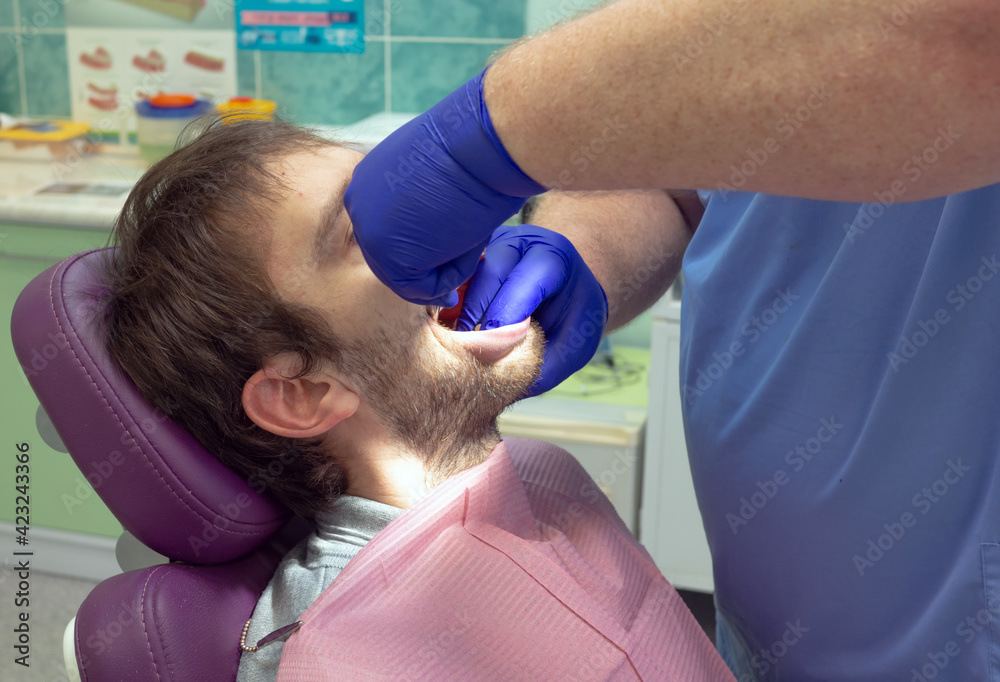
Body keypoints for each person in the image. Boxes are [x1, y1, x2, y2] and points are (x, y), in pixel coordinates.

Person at [339, 0, 1000, 680]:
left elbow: (961, 39)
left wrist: (489, 132)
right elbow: (681, 166)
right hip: (771, 630)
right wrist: (577, 248)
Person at [100, 119, 734, 681]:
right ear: (303, 395)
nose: (444, 241)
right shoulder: (344, 655)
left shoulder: (543, 478)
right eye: (358, 235)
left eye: (399, 205)